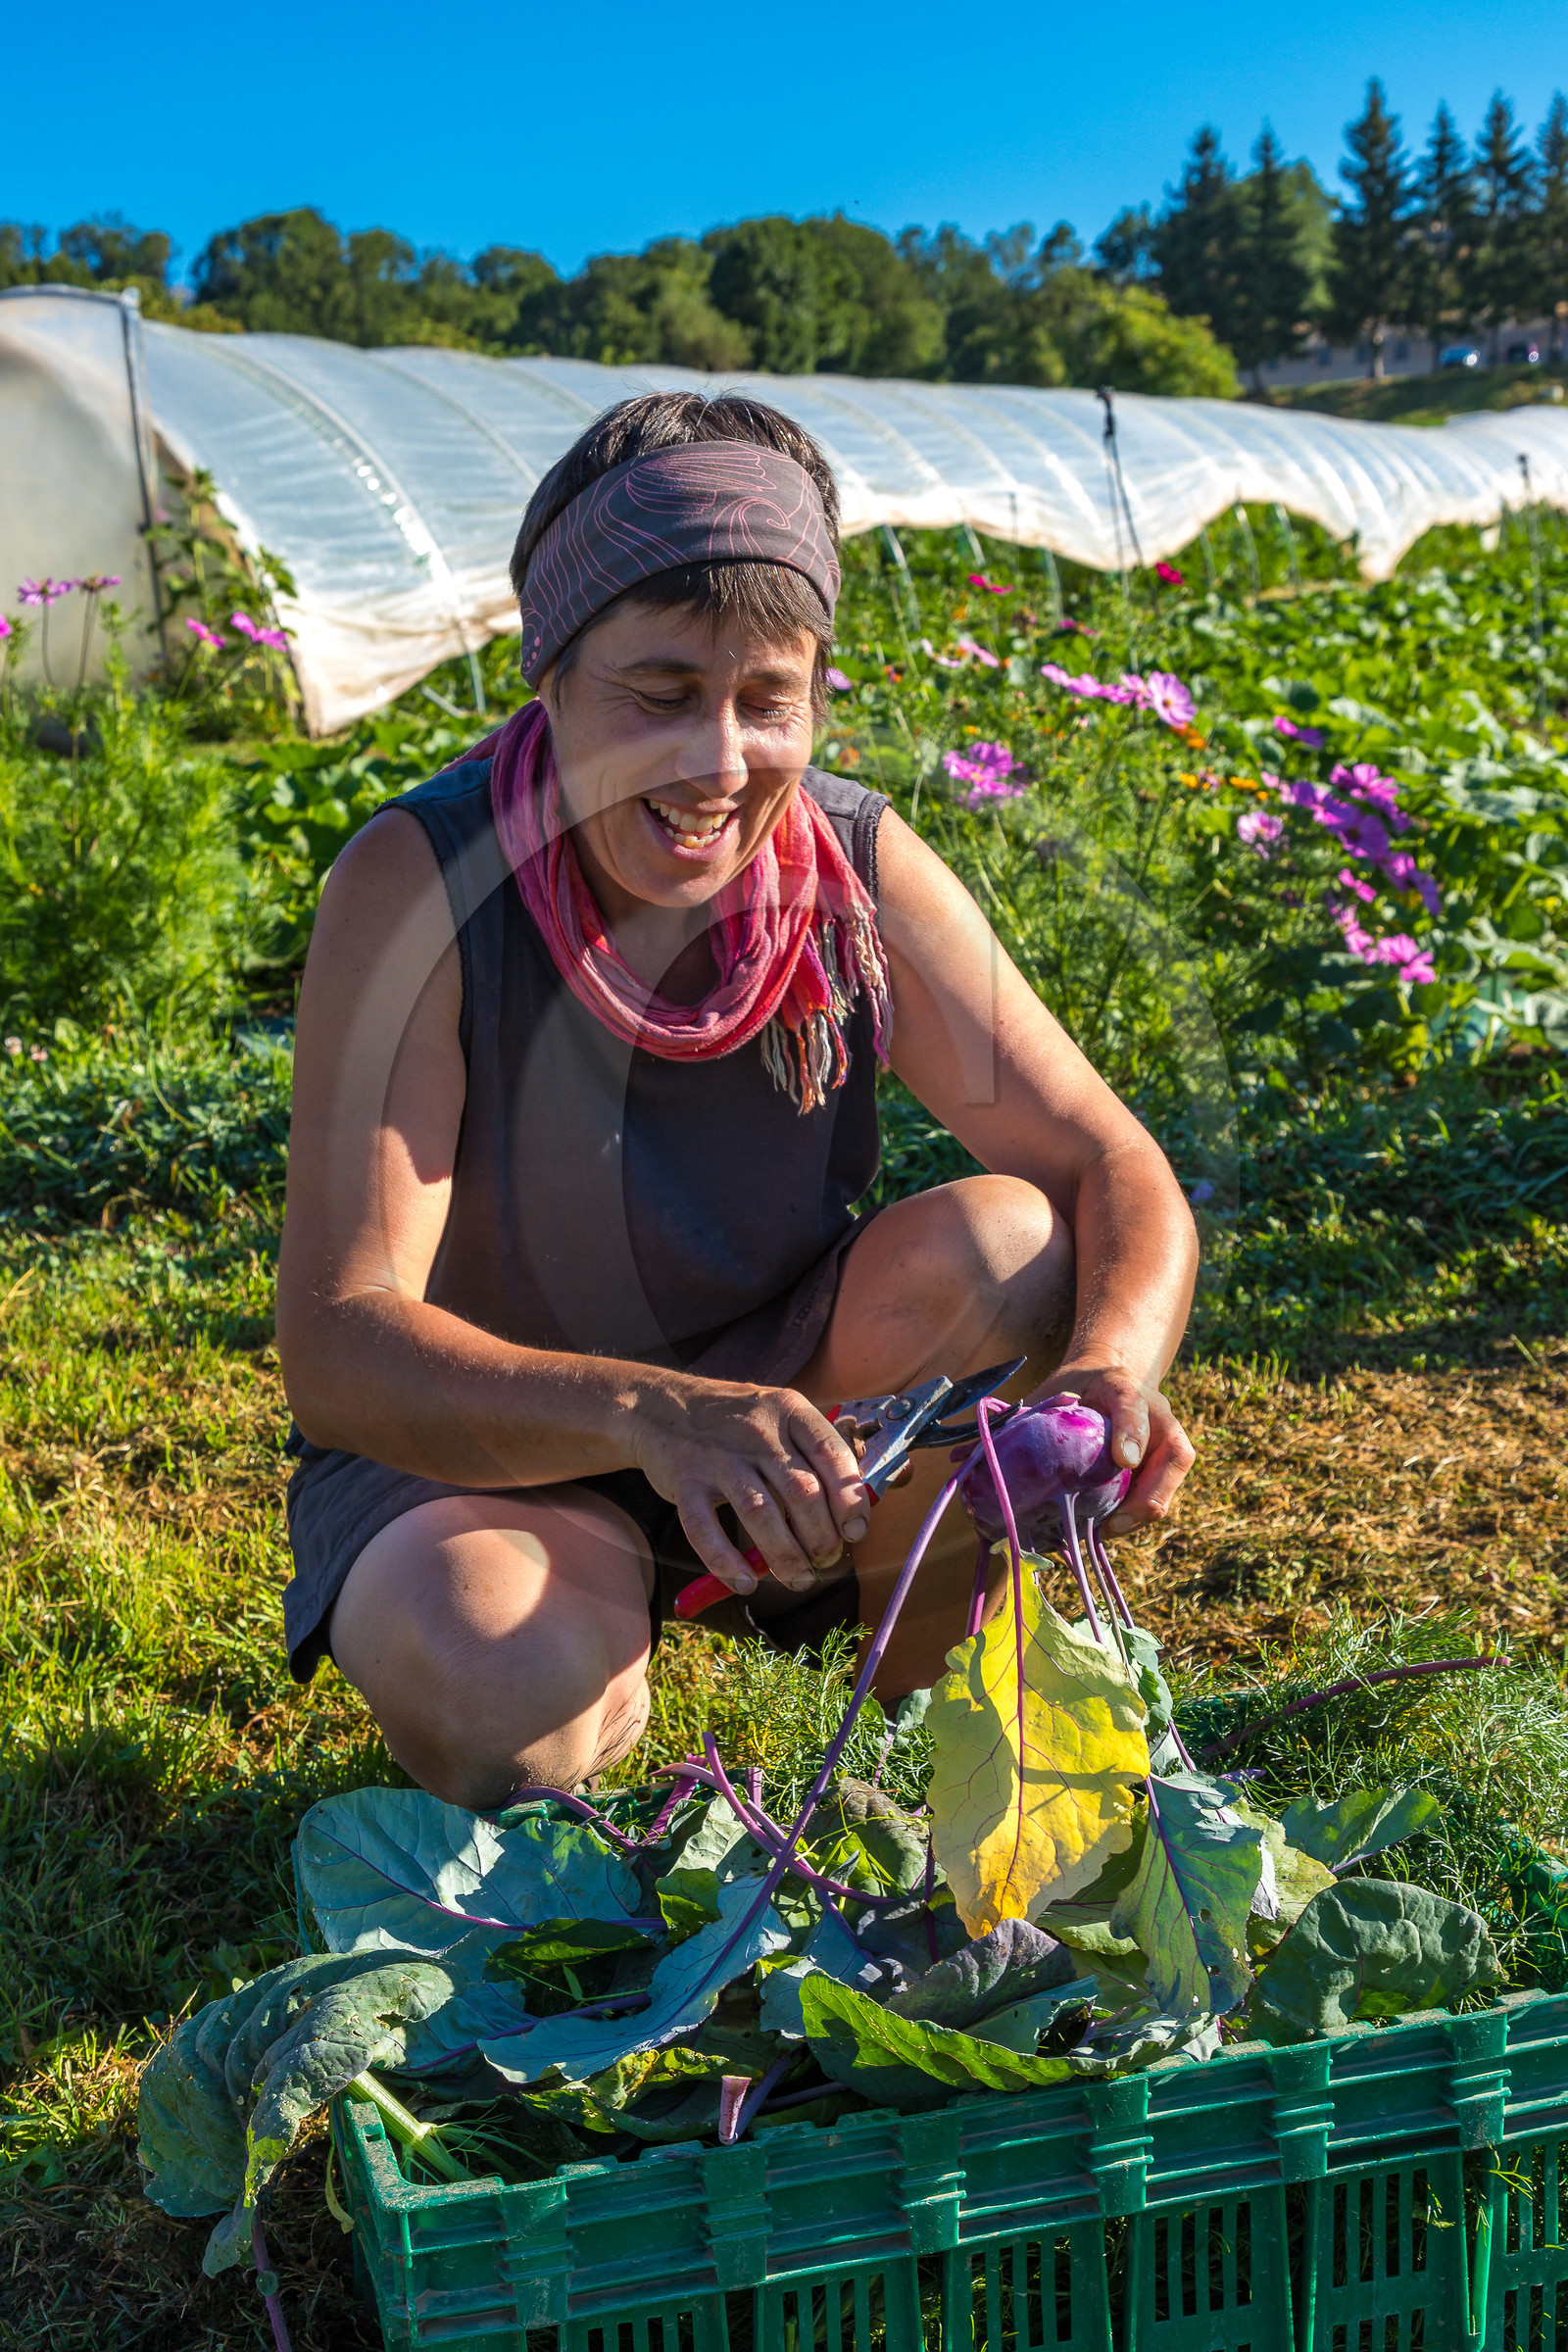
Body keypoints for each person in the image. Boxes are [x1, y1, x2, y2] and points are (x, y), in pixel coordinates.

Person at [275, 391, 1198, 1813]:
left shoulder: (854, 864)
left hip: (793, 1436)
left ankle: (888, 1641)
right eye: (659, 693)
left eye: (769, 700)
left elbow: (1107, 1162)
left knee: (1012, 1241)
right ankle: (606, 1630)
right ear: (551, 676)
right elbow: (341, 1346)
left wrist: (1110, 1373)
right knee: (501, 1699)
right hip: (490, 1456)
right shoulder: (420, 887)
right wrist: (656, 1414)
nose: (718, 761)